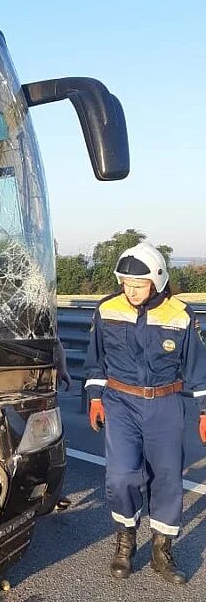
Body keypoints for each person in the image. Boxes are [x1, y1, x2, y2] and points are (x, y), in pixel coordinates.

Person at [83, 242, 206, 583]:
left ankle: (161, 550)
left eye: (138, 285)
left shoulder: (180, 315)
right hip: (120, 402)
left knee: (167, 479)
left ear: (158, 281)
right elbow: (95, 360)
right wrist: (95, 398)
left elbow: (197, 366)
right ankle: (126, 541)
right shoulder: (107, 309)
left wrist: (204, 410)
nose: (131, 291)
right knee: (122, 476)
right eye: (125, 284)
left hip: (166, 404)